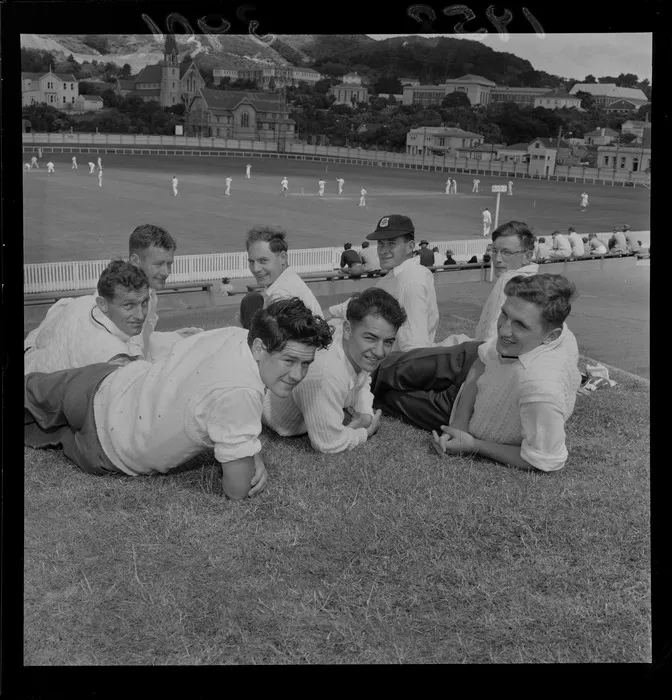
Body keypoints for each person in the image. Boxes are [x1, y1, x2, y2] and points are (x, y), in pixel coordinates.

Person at [25, 298, 333, 500]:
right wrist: (251, 455)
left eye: (306, 363)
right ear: (259, 349)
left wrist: (251, 450)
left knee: (29, 391)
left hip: (104, 384)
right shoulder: (239, 394)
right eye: (289, 360)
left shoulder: (235, 335)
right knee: (40, 429)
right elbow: (237, 490)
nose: (297, 374)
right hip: (110, 445)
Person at [374, 274, 581, 474]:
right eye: (505, 315)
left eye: (520, 325)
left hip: (463, 411)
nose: (504, 330)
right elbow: (485, 357)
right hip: (470, 363)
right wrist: (459, 423)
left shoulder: (542, 389)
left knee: (386, 399)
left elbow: (544, 459)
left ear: (550, 336)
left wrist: (473, 444)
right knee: (389, 368)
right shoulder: (549, 325)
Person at [263, 289, 406, 454]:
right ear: (347, 330)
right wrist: (364, 433)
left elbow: (363, 380)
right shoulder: (327, 374)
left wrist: (365, 413)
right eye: (370, 338)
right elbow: (328, 442)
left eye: (388, 342)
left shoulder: (356, 352)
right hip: (280, 422)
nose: (380, 352)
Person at [326, 215, 439, 352]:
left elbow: (414, 347)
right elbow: (366, 303)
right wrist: (331, 312)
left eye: (391, 243)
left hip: (393, 365)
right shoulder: (397, 274)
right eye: (381, 244)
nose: (383, 250)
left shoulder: (410, 280)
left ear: (410, 247)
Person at [24, 260, 150, 374]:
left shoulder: (81, 302)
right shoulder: (114, 356)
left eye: (144, 303)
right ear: (103, 304)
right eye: (128, 305)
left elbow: (41, 339)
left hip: (31, 356)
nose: (140, 315)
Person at [439, 220, 539, 348]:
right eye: (495, 251)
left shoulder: (509, 281)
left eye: (506, 253)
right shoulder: (535, 281)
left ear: (527, 256)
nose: (497, 259)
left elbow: (491, 342)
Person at [126, 224, 202, 361]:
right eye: (158, 264)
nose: (166, 272)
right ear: (135, 261)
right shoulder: (126, 299)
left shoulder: (147, 292)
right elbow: (133, 351)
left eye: (169, 264)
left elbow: (144, 339)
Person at [241, 226, 323, 328]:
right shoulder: (288, 280)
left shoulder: (281, 295)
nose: (255, 268)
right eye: (251, 261)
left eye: (263, 261)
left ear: (283, 258)